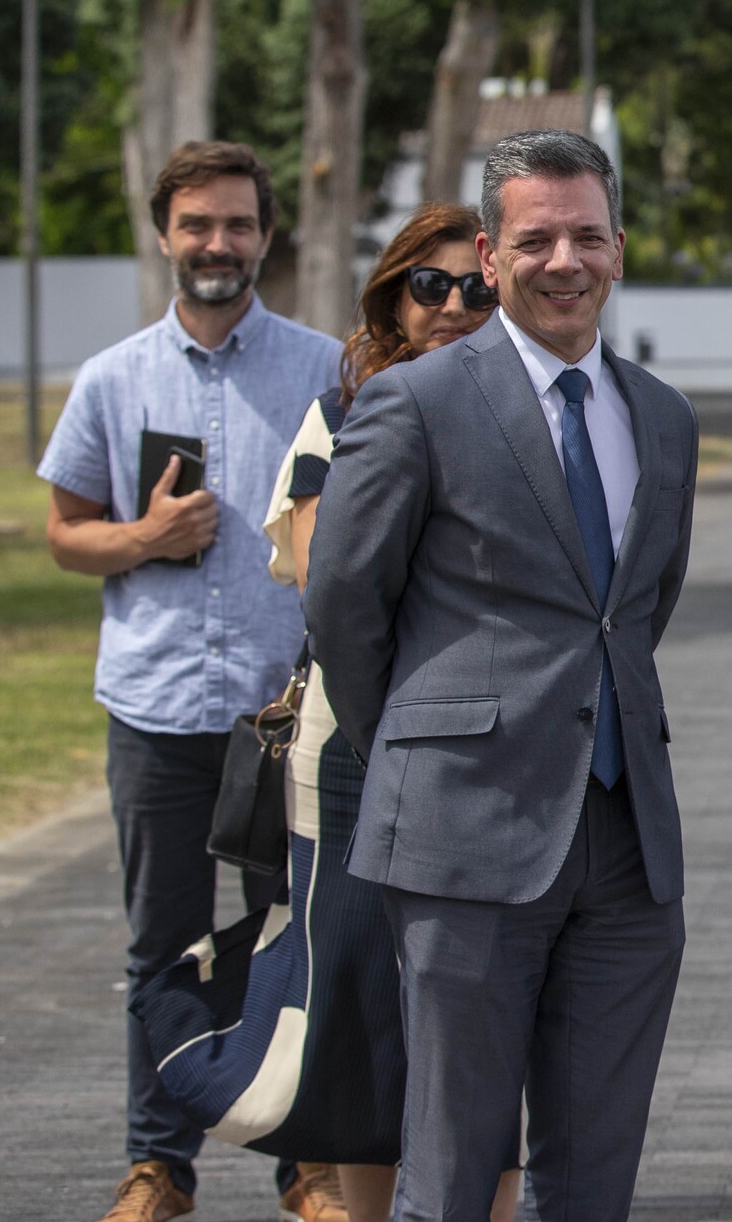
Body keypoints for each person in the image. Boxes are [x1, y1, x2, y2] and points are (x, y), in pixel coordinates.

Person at [305, 131, 700, 1222]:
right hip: (464, 834)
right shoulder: (415, 402)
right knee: (453, 1165)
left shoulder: (663, 416)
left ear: (618, 247)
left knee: (593, 1174)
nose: (563, 260)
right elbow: (344, 604)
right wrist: (424, 749)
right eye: (536, 240)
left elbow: (637, 611)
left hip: (627, 843)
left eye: (586, 236)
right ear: (489, 254)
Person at [38, 142, 342, 1222]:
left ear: (266, 235)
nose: (219, 243)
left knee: (297, 942)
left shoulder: (323, 368)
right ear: (164, 234)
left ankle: (309, 1167)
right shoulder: (111, 378)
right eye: (198, 224)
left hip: (283, 715)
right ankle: (157, 1167)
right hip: (157, 710)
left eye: (238, 224)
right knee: (157, 947)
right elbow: (65, 534)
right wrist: (145, 536)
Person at [256, 205, 520, 1222]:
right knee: (368, 1023)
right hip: (351, 754)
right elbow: (328, 580)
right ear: (391, 296)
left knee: (488, 1017)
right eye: (430, 284)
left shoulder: (531, 416)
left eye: (476, 288)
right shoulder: (339, 418)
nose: (453, 305)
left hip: (493, 755)